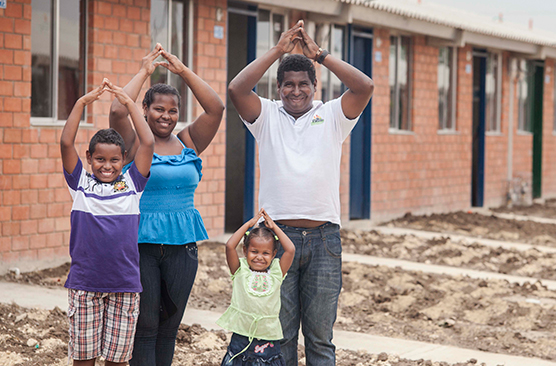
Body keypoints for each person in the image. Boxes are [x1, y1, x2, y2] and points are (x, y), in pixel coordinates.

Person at [227, 20, 374, 365]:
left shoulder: (333, 114)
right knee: (283, 334)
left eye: (303, 84)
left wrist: (320, 55)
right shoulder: (266, 117)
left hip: (324, 240)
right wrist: (279, 50)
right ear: (277, 88)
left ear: (315, 86)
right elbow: (236, 89)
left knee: (321, 338)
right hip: (279, 241)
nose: (296, 91)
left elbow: (364, 86)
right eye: (288, 85)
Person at [108, 44, 225, 366]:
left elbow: (216, 108)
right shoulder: (135, 143)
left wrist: (183, 71)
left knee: (169, 328)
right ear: (144, 109)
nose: (166, 116)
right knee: (144, 327)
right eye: (158, 109)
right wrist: (145, 70)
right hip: (140, 245)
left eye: (172, 110)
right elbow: (118, 111)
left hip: (183, 247)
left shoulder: (188, 142)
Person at [61, 78, 154, 366]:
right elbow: (66, 142)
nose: (106, 165)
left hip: (124, 286)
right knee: (84, 359)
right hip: (85, 285)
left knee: (117, 361)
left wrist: (128, 103)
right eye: (99, 159)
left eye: (114, 160)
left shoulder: (132, 185)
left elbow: (148, 141)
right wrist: (81, 103)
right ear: (89, 158)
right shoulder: (79, 185)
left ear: (124, 158)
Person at [216, 209, 295, 366]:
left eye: (266, 253)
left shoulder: (276, 273)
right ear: (245, 251)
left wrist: (274, 227)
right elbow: (230, 246)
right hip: (241, 337)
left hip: (268, 339)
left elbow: (291, 249)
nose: (259, 256)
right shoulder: (240, 270)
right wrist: (248, 225)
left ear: (274, 255)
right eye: (254, 251)